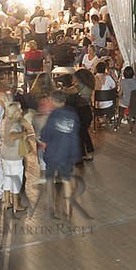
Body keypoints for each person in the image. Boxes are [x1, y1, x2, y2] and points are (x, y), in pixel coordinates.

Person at [41, 92, 84, 220]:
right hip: (67, 154)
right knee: (66, 180)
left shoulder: (53, 116)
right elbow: (76, 132)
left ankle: (51, 207)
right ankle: (67, 209)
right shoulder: (73, 115)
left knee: (49, 180)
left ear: (54, 101)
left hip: (53, 154)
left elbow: (45, 135)